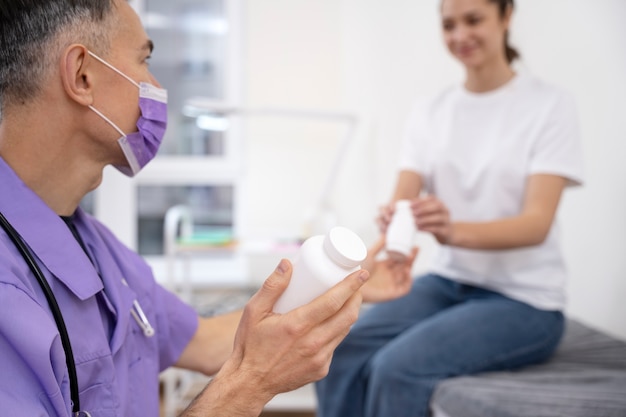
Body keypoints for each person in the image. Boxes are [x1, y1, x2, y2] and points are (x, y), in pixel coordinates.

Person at [0, 0, 417, 416]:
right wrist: (251, 382)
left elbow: (204, 341)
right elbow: (242, 364)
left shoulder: (94, 246)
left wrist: (336, 288)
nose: (154, 85)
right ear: (82, 75)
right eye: (143, 60)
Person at [315, 0, 585, 416]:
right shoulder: (432, 111)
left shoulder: (549, 105)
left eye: (474, 20)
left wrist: (451, 230)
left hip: (525, 302)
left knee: (396, 369)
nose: (460, 36)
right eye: (449, 25)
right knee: (339, 347)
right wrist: (397, 217)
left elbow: (536, 224)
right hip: (448, 283)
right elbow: (403, 196)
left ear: (507, 16)